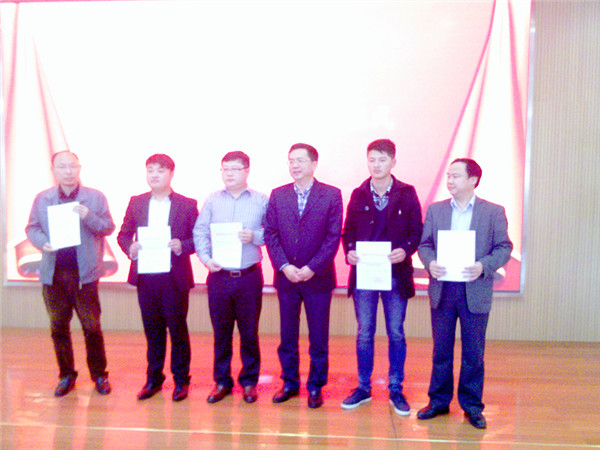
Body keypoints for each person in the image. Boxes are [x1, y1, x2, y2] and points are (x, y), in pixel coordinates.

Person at [417, 158, 512, 429]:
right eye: (448, 175)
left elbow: (504, 247)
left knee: (473, 353)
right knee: (441, 350)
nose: (450, 180)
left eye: (456, 176)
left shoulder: (493, 212)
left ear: (473, 180)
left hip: (475, 289)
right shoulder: (436, 210)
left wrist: (483, 265)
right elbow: (425, 245)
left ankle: (471, 406)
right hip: (444, 289)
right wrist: (430, 263)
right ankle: (438, 401)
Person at [340, 139, 423, 415]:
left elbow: (417, 231)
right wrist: (349, 252)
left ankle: (396, 388)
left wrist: (406, 250)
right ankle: (363, 387)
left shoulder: (407, 193)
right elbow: (348, 232)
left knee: (396, 332)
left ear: (393, 162)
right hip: (365, 274)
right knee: (364, 332)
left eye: (382, 160)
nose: (376, 165)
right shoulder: (358, 193)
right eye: (372, 160)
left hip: (396, 274)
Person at [25, 150, 115, 397]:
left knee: (92, 327)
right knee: (58, 327)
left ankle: (99, 375)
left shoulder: (95, 197)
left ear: (79, 168)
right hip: (53, 275)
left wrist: (89, 216)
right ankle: (66, 375)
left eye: (72, 166)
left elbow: (107, 227)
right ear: (53, 170)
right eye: (62, 167)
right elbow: (32, 228)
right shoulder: (43, 199)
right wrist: (42, 243)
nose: (68, 171)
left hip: (85, 274)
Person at [264, 143, 343, 409]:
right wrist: (284, 265)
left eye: (299, 160)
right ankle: (289, 382)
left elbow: (333, 236)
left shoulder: (331, 195)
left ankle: (316, 386)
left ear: (314, 164)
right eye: (291, 161)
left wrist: (312, 267)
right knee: (287, 335)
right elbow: (271, 234)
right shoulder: (278, 195)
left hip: (318, 278)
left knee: (318, 337)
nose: (294, 165)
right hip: (287, 278)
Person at [117, 154, 198, 402]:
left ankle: (181, 380)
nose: (154, 175)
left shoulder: (187, 204)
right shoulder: (137, 202)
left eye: (160, 170)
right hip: (146, 277)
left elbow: (198, 239)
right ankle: (153, 379)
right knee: (152, 331)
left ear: (171, 174)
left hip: (174, 277)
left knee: (177, 330)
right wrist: (129, 248)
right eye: (150, 170)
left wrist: (182, 246)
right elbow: (123, 235)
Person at [194, 151, 268, 404]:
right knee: (221, 333)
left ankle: (249, 381)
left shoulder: (261, 200)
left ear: (247, 171)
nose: (229, 174)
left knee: (249, 332)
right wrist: (206, 259)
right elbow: (200, 231)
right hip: (219, 276)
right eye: (225, 169)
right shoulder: (213, 200)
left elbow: (273, 232)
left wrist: (255, 237)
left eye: (235, 169)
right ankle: (222, 381)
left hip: (249, 277)